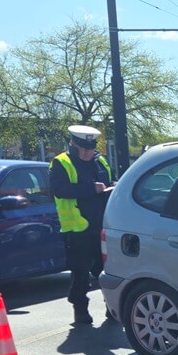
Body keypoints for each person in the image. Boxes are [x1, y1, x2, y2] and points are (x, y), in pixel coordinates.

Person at [49, 125, 113, 326]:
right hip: (76, 229)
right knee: (80, 272)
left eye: (90, 148)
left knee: (107, 270)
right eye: (82, 148)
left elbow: (107, 183)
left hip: (101, 225)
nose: (86, 152)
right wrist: (90, 189)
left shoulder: (100, 161)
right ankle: (80, 310)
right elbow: (59, 190)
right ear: (73, 144)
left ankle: (112, 307)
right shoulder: (61, 162)